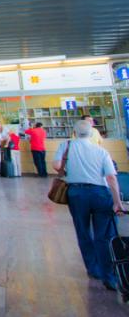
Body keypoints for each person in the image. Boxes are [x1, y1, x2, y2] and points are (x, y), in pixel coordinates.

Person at [53, 119, 125, 292]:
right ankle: (109, 276)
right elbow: (111, 178)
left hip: (77, 194)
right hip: (100, 194)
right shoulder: (101, 151)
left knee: (83, 231)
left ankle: (94, 269)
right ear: (92, 132)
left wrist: (68, 166)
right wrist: (117, 202)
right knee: (104, 235)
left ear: (74, 132)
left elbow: (56, 166)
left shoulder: (66, 146)